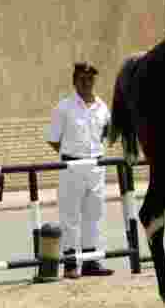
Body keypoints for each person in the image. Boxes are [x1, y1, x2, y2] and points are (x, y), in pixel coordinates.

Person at [45, 62, 114, 278]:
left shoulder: (102, 107)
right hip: (72, 166)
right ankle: (71, 263)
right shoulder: (64, 107)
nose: (87, 83)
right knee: (70, 216)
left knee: (95, 214)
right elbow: (54, 140)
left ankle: (91, 261)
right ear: (74, 81)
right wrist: (73, 153)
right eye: (82, 79)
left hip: (96, 166)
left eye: (90, 79)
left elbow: (106, 135)